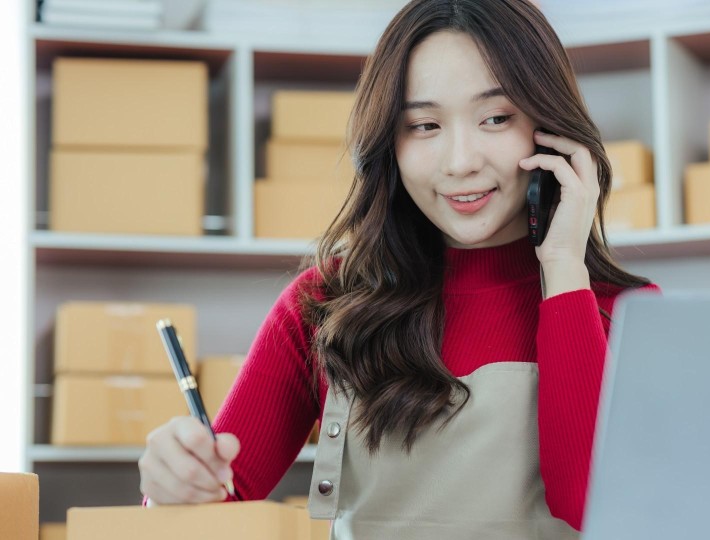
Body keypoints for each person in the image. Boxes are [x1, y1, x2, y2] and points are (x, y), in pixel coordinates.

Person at [138, 0, 658, 537]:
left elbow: (596, 510)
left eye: (496, 117)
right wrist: (171, 488)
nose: (460, 161)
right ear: (391, 143)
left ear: (549, 128)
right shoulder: (322, 306)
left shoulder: (632, 315)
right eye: (425, 125)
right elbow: (211, 509)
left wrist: (563, 267)